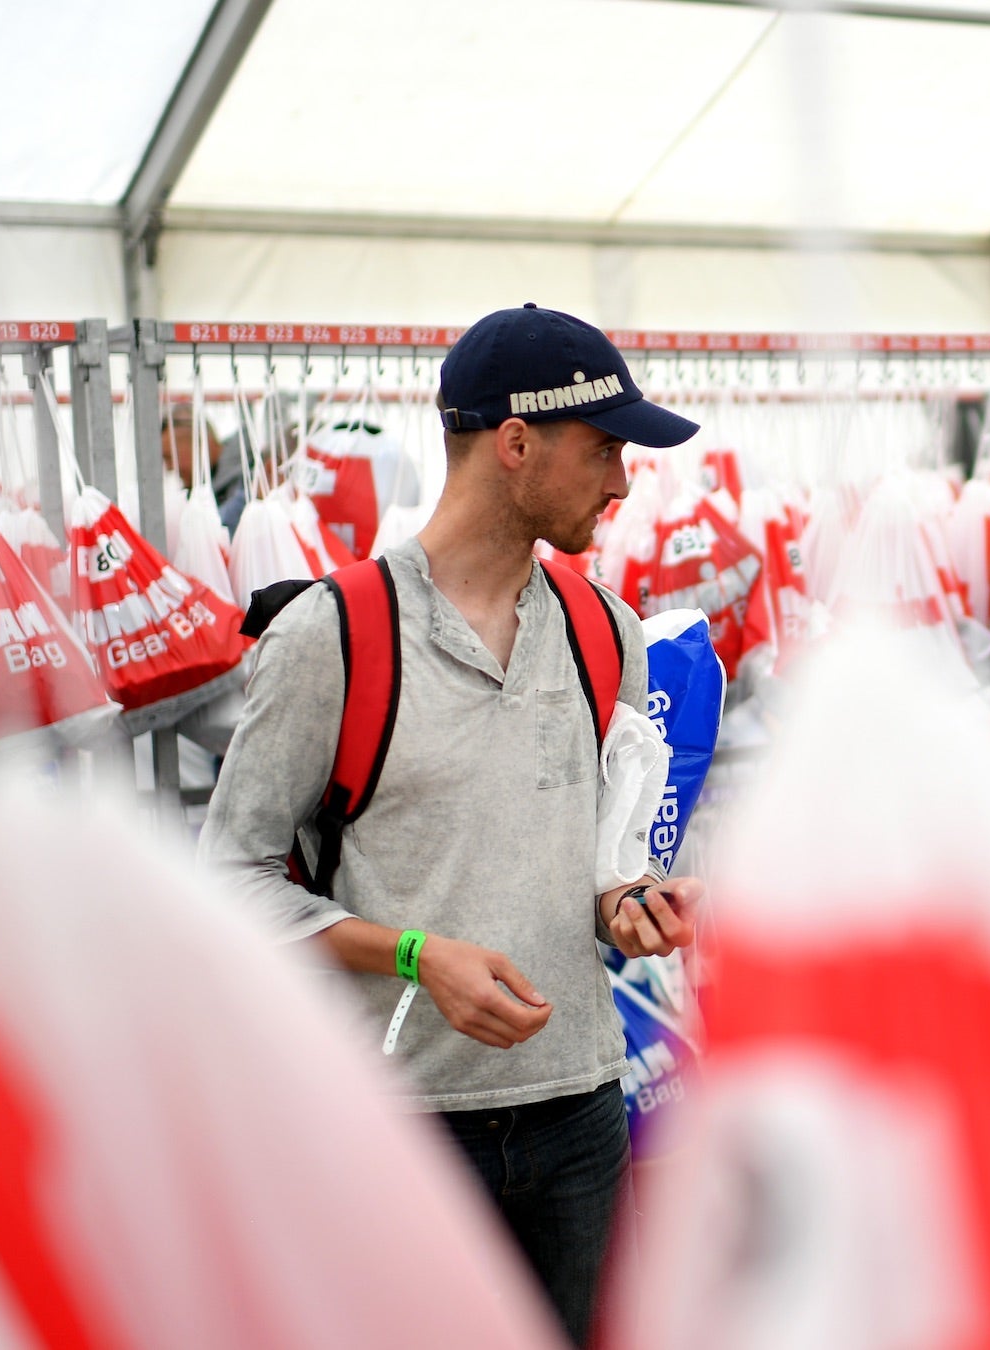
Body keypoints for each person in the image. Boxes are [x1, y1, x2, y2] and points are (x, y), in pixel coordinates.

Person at [198, 304, 704, 1346]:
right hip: (399, 1129)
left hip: (582, 1116)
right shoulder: (332, 636)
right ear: (515, 444)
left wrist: (632, 903)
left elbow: (605, 865)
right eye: (604, 449)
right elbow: (230, 882)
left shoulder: (607, 632)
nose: (622, 482)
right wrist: (417, 955)